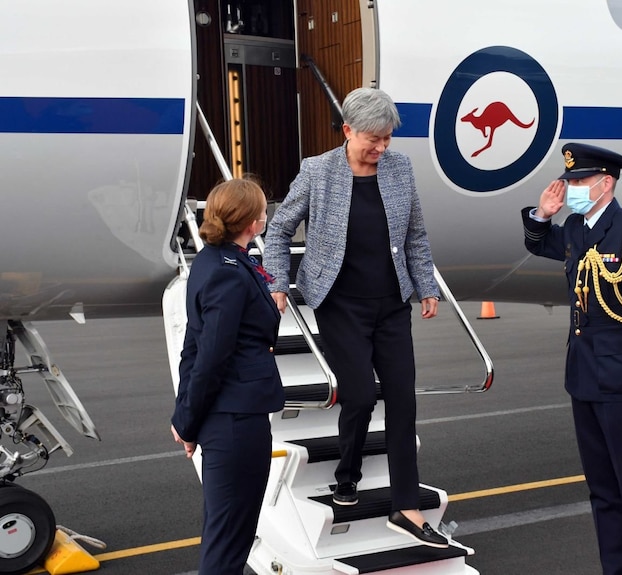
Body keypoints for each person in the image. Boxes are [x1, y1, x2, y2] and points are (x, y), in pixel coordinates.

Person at [262, 87, 447, 548]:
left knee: (403, 399)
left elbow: (416, 236)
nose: (382, 148)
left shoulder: (400, 169)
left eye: (387, 139)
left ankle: (405, 508)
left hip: (391, 304)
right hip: (340, 304)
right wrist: (277, 283)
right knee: (361, 396)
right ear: (348, 130)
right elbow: (280, 228)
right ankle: (347, 474)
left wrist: (426, 286)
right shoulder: (318, 171)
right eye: (374, 139)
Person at [521, 143, 622, 575]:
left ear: (605, 184)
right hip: (584, 377)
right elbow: (539, 244)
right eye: (569, 181)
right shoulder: (575, 228)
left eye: (578, 182)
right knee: (603, 490)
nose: (570, 188)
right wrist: (542, 214)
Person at [170, 178, 284, 574]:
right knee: (229, 542)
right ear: (253, 222)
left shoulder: (211, 262)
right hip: (236, 420)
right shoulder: (230, 273)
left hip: (226, 417)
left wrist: (185, 417)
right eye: (264, 211)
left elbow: (194, 345)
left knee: (225, 534)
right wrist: (186, 422)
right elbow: (211, 356)